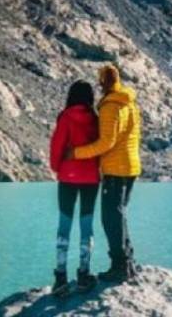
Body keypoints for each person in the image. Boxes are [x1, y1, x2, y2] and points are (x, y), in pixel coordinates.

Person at [68, 64, 141, 283]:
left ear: (103, 82)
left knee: (110, 218)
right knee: (119, 215)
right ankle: (128, 263)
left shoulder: (111, 106)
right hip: (130, 167)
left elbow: (106, 143)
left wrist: (77, 153)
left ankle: (119, 266)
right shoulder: (129, 102)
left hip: (116, 170)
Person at [48, 80, 101, 297]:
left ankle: (61, 278)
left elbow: (56, 145)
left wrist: (57, 167)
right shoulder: (96, 119)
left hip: (68, 177)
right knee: (86, 225)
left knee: (64, 225)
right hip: (90, 178)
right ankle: (83, 274)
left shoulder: (66, 117)